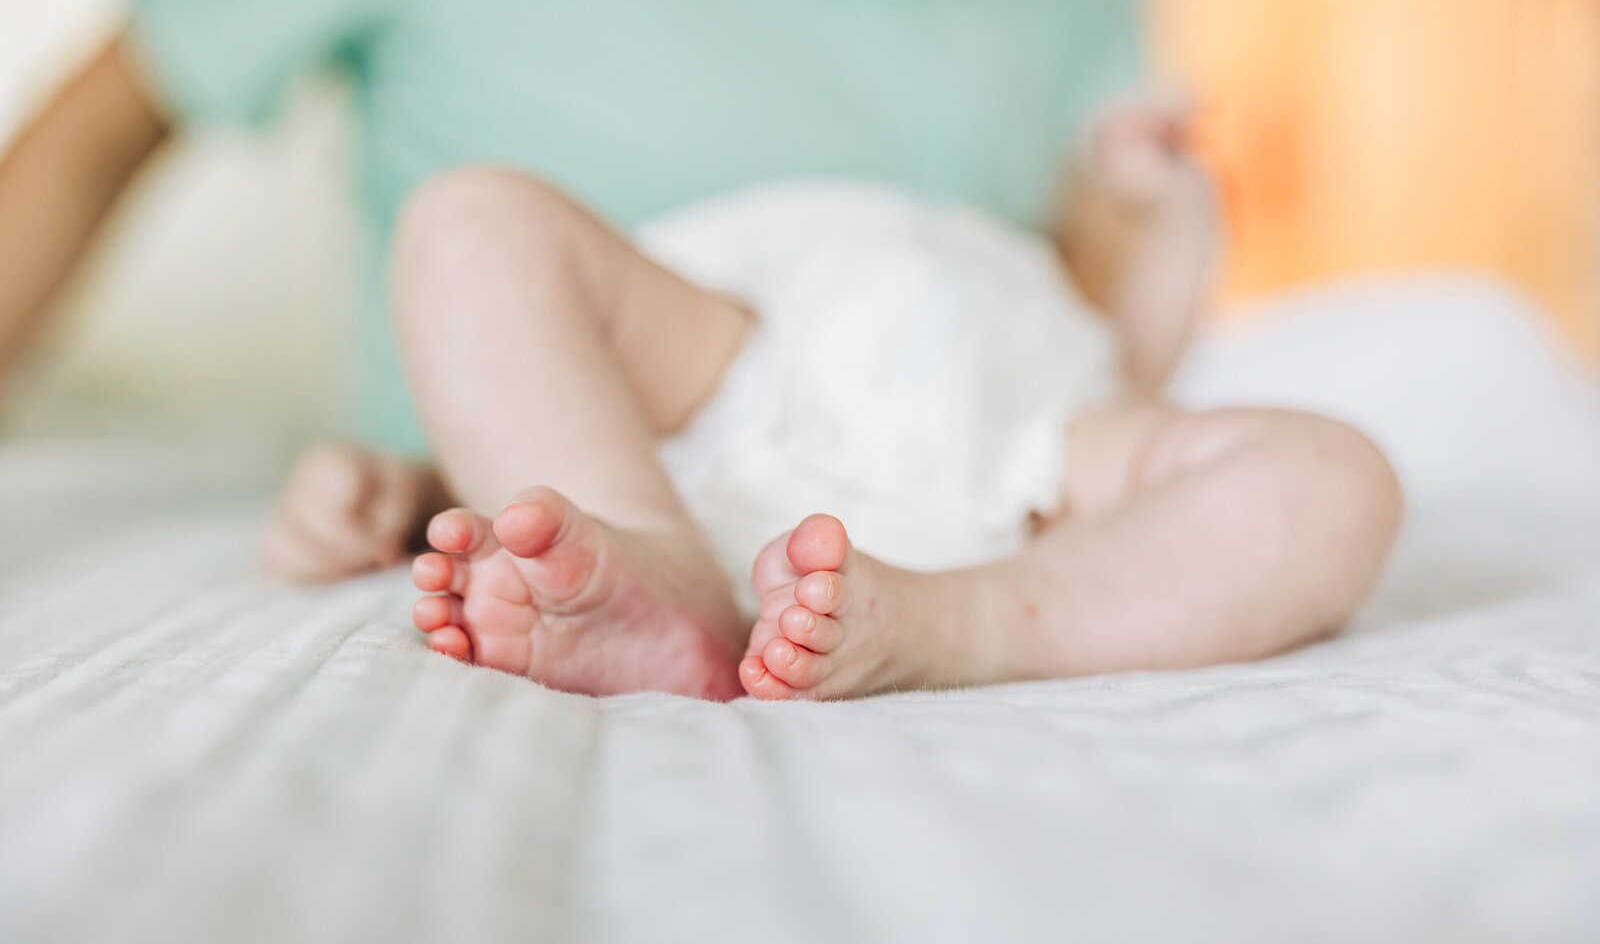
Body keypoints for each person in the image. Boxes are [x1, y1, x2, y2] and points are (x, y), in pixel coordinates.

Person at [0, 0, 1144, 580]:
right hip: (507, 494)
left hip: (939, 489)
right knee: (483, 235)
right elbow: (96, 134)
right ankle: (645, 561)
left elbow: (1085, 280)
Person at [397, 100, 1404, 702]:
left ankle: (956, 624)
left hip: (1038, 468)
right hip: (720, 370)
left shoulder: (1056, 322)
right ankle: (655, 569)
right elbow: (506, 387)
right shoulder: (725, 298)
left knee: (1337, 478)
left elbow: (1141, 356)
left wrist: (1172, 213)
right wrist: (373, 485)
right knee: (467, 221)